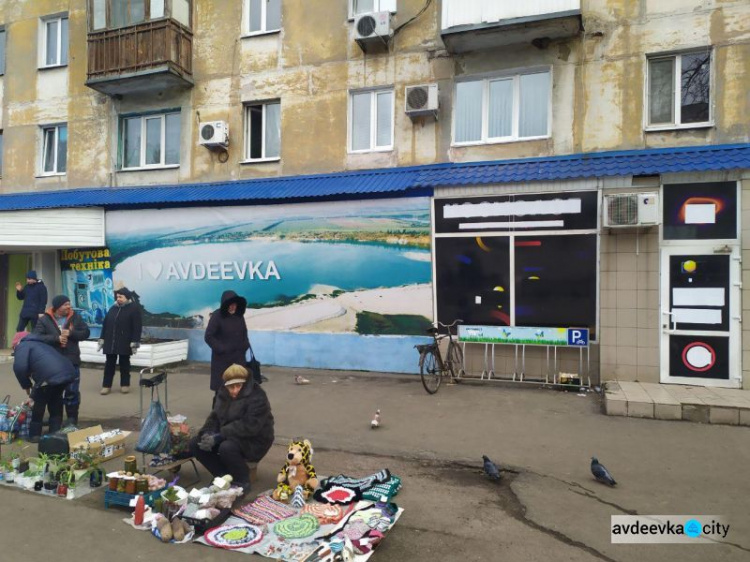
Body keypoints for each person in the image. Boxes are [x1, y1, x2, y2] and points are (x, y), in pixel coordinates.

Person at [189, 364, 274, 493]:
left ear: (245, 384)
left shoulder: (257, 395)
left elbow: (250, 425)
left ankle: (242, 480)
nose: (234, 390)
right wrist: (207, 433)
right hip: (231, 435)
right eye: (230, 387)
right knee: (196, 444)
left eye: (238, 386)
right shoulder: (223, 394)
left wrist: (220, 436)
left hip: (256, 439)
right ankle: (223, 476)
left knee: (226, 447)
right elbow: (215, 417)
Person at [34, 295, 90, 427]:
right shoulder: (45, 319)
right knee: (53, 392)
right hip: (52, 362)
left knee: (72, 391)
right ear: (57, 307)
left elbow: (86, 333)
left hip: (71, 361)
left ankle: (72, 419)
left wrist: (71, 334)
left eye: (69, 304)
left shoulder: (75, 317)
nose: (68, 306)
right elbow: (36, 337)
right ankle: (55, 418)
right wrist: (56, 338)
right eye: (65, 304)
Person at [12, 331, 77, 443]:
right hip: (67, 372)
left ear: (16, 343)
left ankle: (34, 435)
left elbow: (19, 368)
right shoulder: (41, 343)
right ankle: (55, 433)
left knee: (39, 404)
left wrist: (26, 385)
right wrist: (32, 390)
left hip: (49, 376)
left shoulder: (23, 345)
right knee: (55, 400)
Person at [204, 290, 255, 392]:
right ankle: (219, 408)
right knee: (222, 390)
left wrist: (245, 345)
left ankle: (237, 408)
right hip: (222, 361)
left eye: (234, 304)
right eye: (230, 304)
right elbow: (209, 336)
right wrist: (221, 348)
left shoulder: (239, 316)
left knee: (238, 389)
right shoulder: (217, 316)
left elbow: (244, 332)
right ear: (225, 304)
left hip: (239, 359)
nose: (232, 307)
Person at [98, 287, 143, 395]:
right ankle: (106, 386)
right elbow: (105, 324)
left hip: (125, 341)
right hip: (110, 342)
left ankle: (125, 385)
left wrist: (135, 342)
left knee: (124, 364)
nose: (118, 299)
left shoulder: (133, 309)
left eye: (121, 297)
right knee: (109, 365)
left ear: (127, 297)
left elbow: (137, 327)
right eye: (117, 297)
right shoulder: (113, 308)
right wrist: (102, 338)